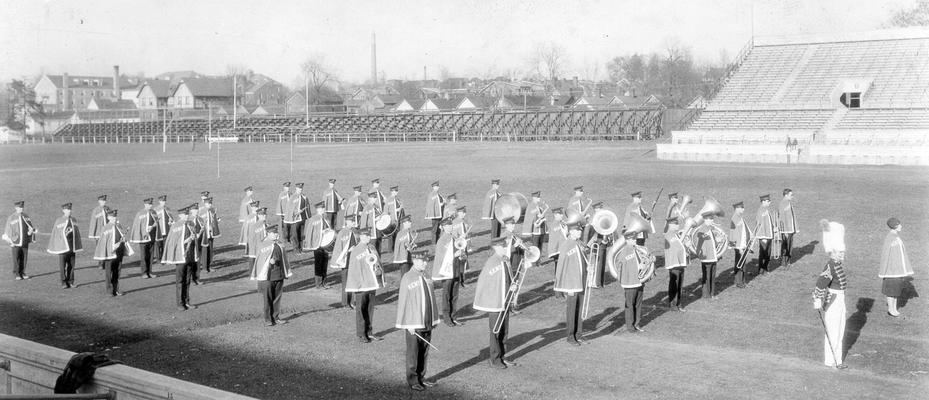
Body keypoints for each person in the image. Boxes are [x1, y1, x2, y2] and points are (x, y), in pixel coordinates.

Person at [395, 251, 439, 391]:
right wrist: (408, 324)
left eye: (426, 261)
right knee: (413, 353)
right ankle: (413, 380)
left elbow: (431, 298)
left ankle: (421, 377)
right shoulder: (408, 277)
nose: (425, 263)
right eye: (422, 261)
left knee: (424, 352)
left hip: (426, 320)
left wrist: (434, 318)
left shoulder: (426, 276)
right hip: (414, 323)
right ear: (414, 261)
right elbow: (404, 301)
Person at [473, 237, 518, 369]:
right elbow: (486, 283)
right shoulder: (492, 262)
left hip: (505, 301)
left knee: (504, 331)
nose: (505, 248)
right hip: (495, 303)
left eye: (505, 246)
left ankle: (502, 356)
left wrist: (513, 287)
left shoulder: (505, 260)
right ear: (497, 248)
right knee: (496, 331)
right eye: (503, 246)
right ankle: (494, 358)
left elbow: (508, 278)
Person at [813, 220, 848, 369]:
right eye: (840, 252)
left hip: (840, 299)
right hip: (833, 300)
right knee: (833, 331)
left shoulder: (837, 265)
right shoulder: (830, 266)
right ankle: (830, 361)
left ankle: (838, 360)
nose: (842, 254)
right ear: (833, 252)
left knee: (840, 330)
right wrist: (818, 299)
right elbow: (821, 283)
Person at [608, 229, 652, 333]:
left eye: (635, 239)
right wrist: (639, 267)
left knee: (638, 304)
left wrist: (650, 259)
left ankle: (637, 323)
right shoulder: (624, 252)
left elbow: (644, 258)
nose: (635, 241)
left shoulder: (637, 249)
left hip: (639, 281)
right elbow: (622, 267)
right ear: (627, 240)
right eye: (632, 239)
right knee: (630, 305)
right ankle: (630, 326)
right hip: (630, 283)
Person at [345, 232, 384, 343]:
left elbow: (377, 262)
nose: (369, 237)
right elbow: (354, 269)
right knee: (361, 310)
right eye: (366, 236)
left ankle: (369, 331)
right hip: (362, 285)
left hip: (372, 283)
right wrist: (358, 284)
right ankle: (361, 334)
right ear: (361, 237)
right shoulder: (356, 250)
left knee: (370, 309)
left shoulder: (372, 247)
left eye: (369, 235)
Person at [251, 225, 293, 326]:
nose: (276, 234)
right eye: (274, 233)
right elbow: (260, 261)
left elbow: (284, 259)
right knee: (268, 299)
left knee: (277, 298)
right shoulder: (263, 245)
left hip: (279, 275)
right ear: (268, 233)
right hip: (268, 277)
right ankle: (268, 319)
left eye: (277, 233)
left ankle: (276, 317)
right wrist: (269, 261)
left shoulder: (279, 244)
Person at [554, 223, 588, 345]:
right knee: (572, 311)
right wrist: (560, 287)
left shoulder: (578, 243)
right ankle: (570, 336)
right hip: (572, 284)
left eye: (580, 231)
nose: (580, 233)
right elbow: (561, 266)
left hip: (581, 282)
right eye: (577, 231)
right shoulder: (566, 245)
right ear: (571, 231)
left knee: (579, 310)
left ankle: (578, 334)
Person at [162, 207, 198, 311]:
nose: (187, 216)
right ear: (180, 215)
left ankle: (187, 301)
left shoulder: (191, 224)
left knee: (187, 280)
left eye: (187, 214)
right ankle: (180, 303)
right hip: (180, 257)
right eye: (184, 215)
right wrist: (187, 240)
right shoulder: (176, 226)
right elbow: (173, 242)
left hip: (190, 256)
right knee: (180, 280)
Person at [879, 217, 913, 317]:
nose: (901, 226)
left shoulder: (895, 236)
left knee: (896, 291)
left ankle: (894, 308)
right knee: (891, 291)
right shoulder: (890, 237)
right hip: (891, 271)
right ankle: (891, 309)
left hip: (897, 270)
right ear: (895, 226)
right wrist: (884, 270)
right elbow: (885, 254)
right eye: (899, 225)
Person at [432, 218, 463, 327]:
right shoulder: (442, 240)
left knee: (454, 294)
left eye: (451, 225)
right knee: (446, 294)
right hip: (446, 271)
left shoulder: (454, 237)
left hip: (455, 269)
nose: (450, 227)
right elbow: (441, 257)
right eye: (448, 226)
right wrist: (454, 255)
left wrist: (461, 253)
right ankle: (446, 317)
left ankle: (453, 316)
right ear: (444, 227)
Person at [94, 209, 131, 297]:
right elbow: (103, 242)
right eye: (112, 217)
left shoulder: (118, 226)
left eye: (115, 216)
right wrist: (112, 247)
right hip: (110, 254)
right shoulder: (105, 228)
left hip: (119, 252)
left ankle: (116, 290)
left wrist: (124, 240)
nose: (114, 218)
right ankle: (110, 291)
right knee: (109, 272)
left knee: (117, 272)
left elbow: (122, 236)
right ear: (108, 217)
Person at [47, 203, 83, 288]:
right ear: (63, 210)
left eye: (70, 209)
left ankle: (71, 281)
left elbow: (77, 233)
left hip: (72, 246)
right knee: (62, 266)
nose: (69, 211)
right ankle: (63, 282)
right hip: (62, 247)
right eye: (67, 210)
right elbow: (55, 234)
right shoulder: (59, 220)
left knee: (71, 265)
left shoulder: (74, 220)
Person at [330, 215, 359, 309]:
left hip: (353, 260)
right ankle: (345, 302)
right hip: (345, 261)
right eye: (352, 221)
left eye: (354, 221)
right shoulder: (342, 233)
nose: (354, 223)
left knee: (352, 282)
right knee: (346, 282)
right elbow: (339, 248)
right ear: (347, 222)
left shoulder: (354, 232)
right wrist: (348, 251)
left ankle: (352, 302)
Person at [303, 202, 332, 289]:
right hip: (318, 245)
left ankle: (324, 281)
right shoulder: (313, 219)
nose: (323, 210)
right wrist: (321, 233)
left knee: (325, 263)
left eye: (324, 208)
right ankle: (318, 283)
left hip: (325, 244)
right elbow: (309, 232)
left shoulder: (325, 218)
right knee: (319, 264)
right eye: (322, 208)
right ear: (318, 209)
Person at [4, 201, 36, 280]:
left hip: (24, 240)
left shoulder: (26, 216)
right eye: (19, 207)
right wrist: (10, 240)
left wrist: (30, 232)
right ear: (16, 208)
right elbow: (8, 230)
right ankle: (16, 273)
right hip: (15, 241)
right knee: (16, 258)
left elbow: (30, 227)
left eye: (22, 207)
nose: (21, 209)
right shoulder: (11, 217)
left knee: (24, 258)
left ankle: (23, 272)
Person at [129, 198, 158, 279]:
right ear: (145, 204)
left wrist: (155, 226)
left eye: (151, 204)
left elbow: (156, 222)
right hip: (143, 238)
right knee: (144, 255)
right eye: (149, 204)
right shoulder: (140, 213)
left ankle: (150, 271)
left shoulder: (154, 212)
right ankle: (144, 272)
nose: (150, 205)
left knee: (151, 255)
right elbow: (137, 226)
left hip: (152, 237)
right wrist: (145, 231)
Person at [695, 211, 721, 300]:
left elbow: (713, 243)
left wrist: (718, 241)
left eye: (712, 219)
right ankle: (706, 295)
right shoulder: (702, 230)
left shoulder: (711, 229)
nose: (712, 221)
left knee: (712, 277)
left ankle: (712, 293)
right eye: (710, 219)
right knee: (707, 277)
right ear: (705, 220)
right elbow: (699, 240)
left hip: (713, 257)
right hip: (706, 258)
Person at [664, 217, 688, 311]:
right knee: (674, 285)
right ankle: (673, 304)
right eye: (676, 224)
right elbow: (674, 246)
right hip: (674, 263)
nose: (678, 225)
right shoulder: (668, 235)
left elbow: (679, 246)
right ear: (670, 225)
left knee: (680, 285)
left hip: (680, 263)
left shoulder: (676, 235)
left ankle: (679, 303)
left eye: (677, 224)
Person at [754, 194, 777, 275]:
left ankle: (766, 268)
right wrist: (762, 237)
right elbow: (759, 224)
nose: (770, 202)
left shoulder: (766, 210)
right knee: (763, 254)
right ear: (763, 201)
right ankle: (761, 269)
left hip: (769, 235)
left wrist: (774, 228)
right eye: (768, 201)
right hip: (764, 236)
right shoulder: (761, 211)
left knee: (768, 253)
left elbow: (769, 222)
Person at [730, 202, 750, 288]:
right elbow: (734, 234)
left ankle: (741, 280)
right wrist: (739, 247)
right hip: (739, 246)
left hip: (742, 245)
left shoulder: (739, 218)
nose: (743, 209)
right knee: (740, 263)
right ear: (737, 208)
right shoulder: (735, 219)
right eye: (742, 208)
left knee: (742, 263)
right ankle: (739, 282)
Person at [284, 183, 309, 253]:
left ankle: (301, 249)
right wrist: (296, 212)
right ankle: (296, 250)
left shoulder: (304, 196)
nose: (300, 190)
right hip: (295, 220)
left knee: (301, 235)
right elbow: (289, 208)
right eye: (299, 188)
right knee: (295, 235)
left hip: (302, 218)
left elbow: (307, 205)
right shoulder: (293, 197)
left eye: (301, 188)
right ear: (296, 189)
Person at [199, 197, 221, 273]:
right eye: (209, 204)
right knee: (205, 250)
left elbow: (215, 219)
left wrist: (217, 220)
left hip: (211, 233)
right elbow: (200, 222)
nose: (210, 205)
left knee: (210, 250)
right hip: (205, 234)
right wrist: (206, 227)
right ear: (205, 204)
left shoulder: (212, 210)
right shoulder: (201, 211)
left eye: (211, 203)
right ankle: (204, 268)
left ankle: (209, 266)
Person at [777, 189, 797, 269]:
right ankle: (783, 262)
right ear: (786, 195)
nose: (792, 196)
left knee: (790, 245)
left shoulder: (788, 203)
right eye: (791, 195)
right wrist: (784, 230)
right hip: (786, 229)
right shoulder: (783, 203)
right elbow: (781, 218)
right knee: (785, 246)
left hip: (790, 229)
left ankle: (788, 261)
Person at [88, 195, 109, 270]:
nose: (103, 202)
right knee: (100, 248)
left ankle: (106, 263)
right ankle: (100, 263)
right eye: (102, 201)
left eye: (104, 201)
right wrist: (92, 234)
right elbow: (93, 222)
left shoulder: (107, 209)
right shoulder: (96, 210)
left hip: (107, 232)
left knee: (107, 247)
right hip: (99, 233)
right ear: (99, 201)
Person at [152, 195, 174, 267]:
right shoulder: (155, 209)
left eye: (164, 201)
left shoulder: (167, 209)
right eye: (162, 201)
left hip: (167, 230)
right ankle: (159, 259)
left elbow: (171, 218)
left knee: (165, 245)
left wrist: (171, 221)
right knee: (158, 244)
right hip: (159, 230)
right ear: (159, 201)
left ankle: (164, 258)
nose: (163, 202)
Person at [187, 203, 204, 285]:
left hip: (198, 243)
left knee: (197, 261)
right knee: (190, 261)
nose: (196, 211)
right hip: (190, 243)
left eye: (197, 209)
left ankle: (196, 278)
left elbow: (203, 228)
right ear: (191, 211)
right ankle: (189, 279)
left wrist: (199, 234)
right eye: (194, 210)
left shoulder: (200, 219)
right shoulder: (188, 220)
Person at [384, 185, 405, 250]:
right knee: (391, 235)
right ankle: (390, 249)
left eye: (396, 191)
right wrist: (396, 210)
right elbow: (386, 211)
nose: (396, 192)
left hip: (398, 219)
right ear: (391, 192)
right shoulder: (389, 200)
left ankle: (395, 247)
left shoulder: (397, 199)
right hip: (392, 220)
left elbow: (401, 207)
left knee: (397, 233)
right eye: (395, 191)